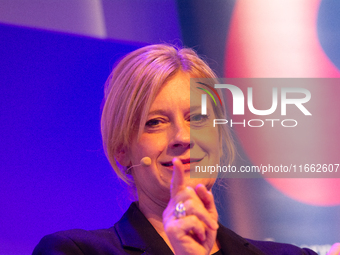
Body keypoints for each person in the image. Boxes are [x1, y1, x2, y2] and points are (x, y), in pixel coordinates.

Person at [33, 44, 338, 255]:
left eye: (198, 117)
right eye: (155, 122)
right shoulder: (73, 250)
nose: (182, 136)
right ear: (122, 150)